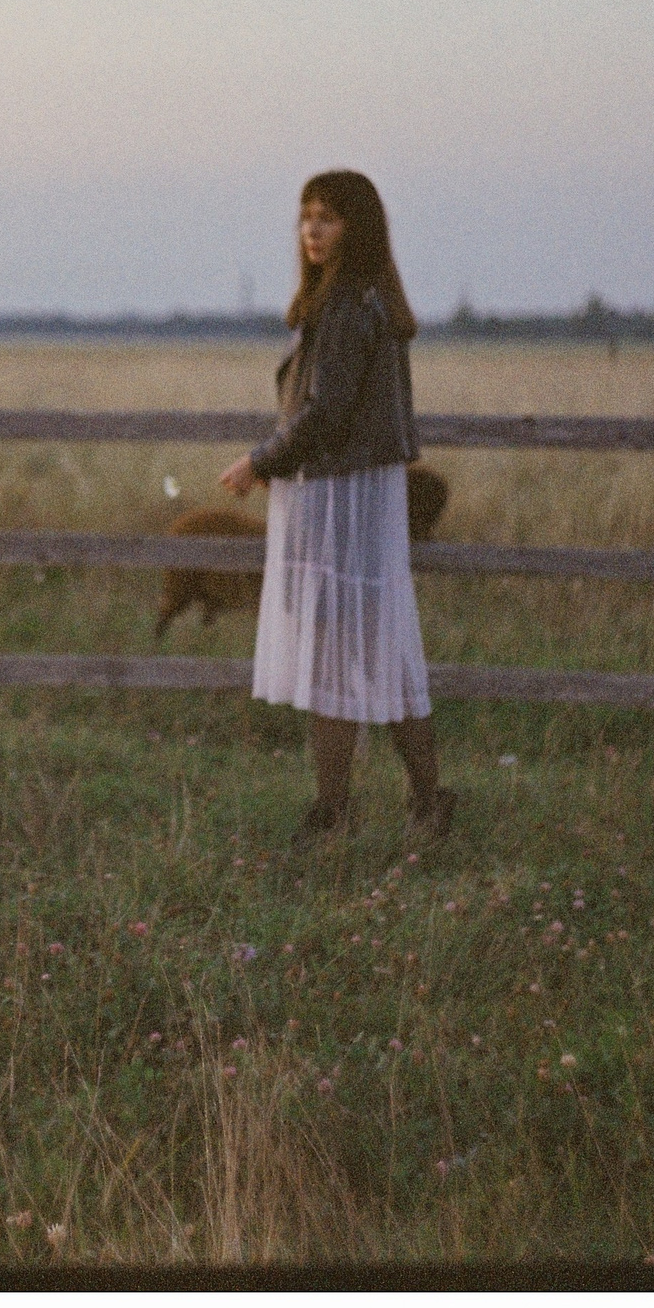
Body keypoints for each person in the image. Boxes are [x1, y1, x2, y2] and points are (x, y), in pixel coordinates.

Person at [219, 169, 454, 844]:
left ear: (359, 226)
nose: (312, 230)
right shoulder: (363, 299)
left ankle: (333, 814)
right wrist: (284, 464)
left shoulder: (349, 304)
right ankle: (426, 801)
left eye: (328, 217)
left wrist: (262, 460)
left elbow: (326, 410)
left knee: (335, 656)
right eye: (306, 216)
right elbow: (335, 414)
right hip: (345, 489)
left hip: (339, 497)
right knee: (375, 652)